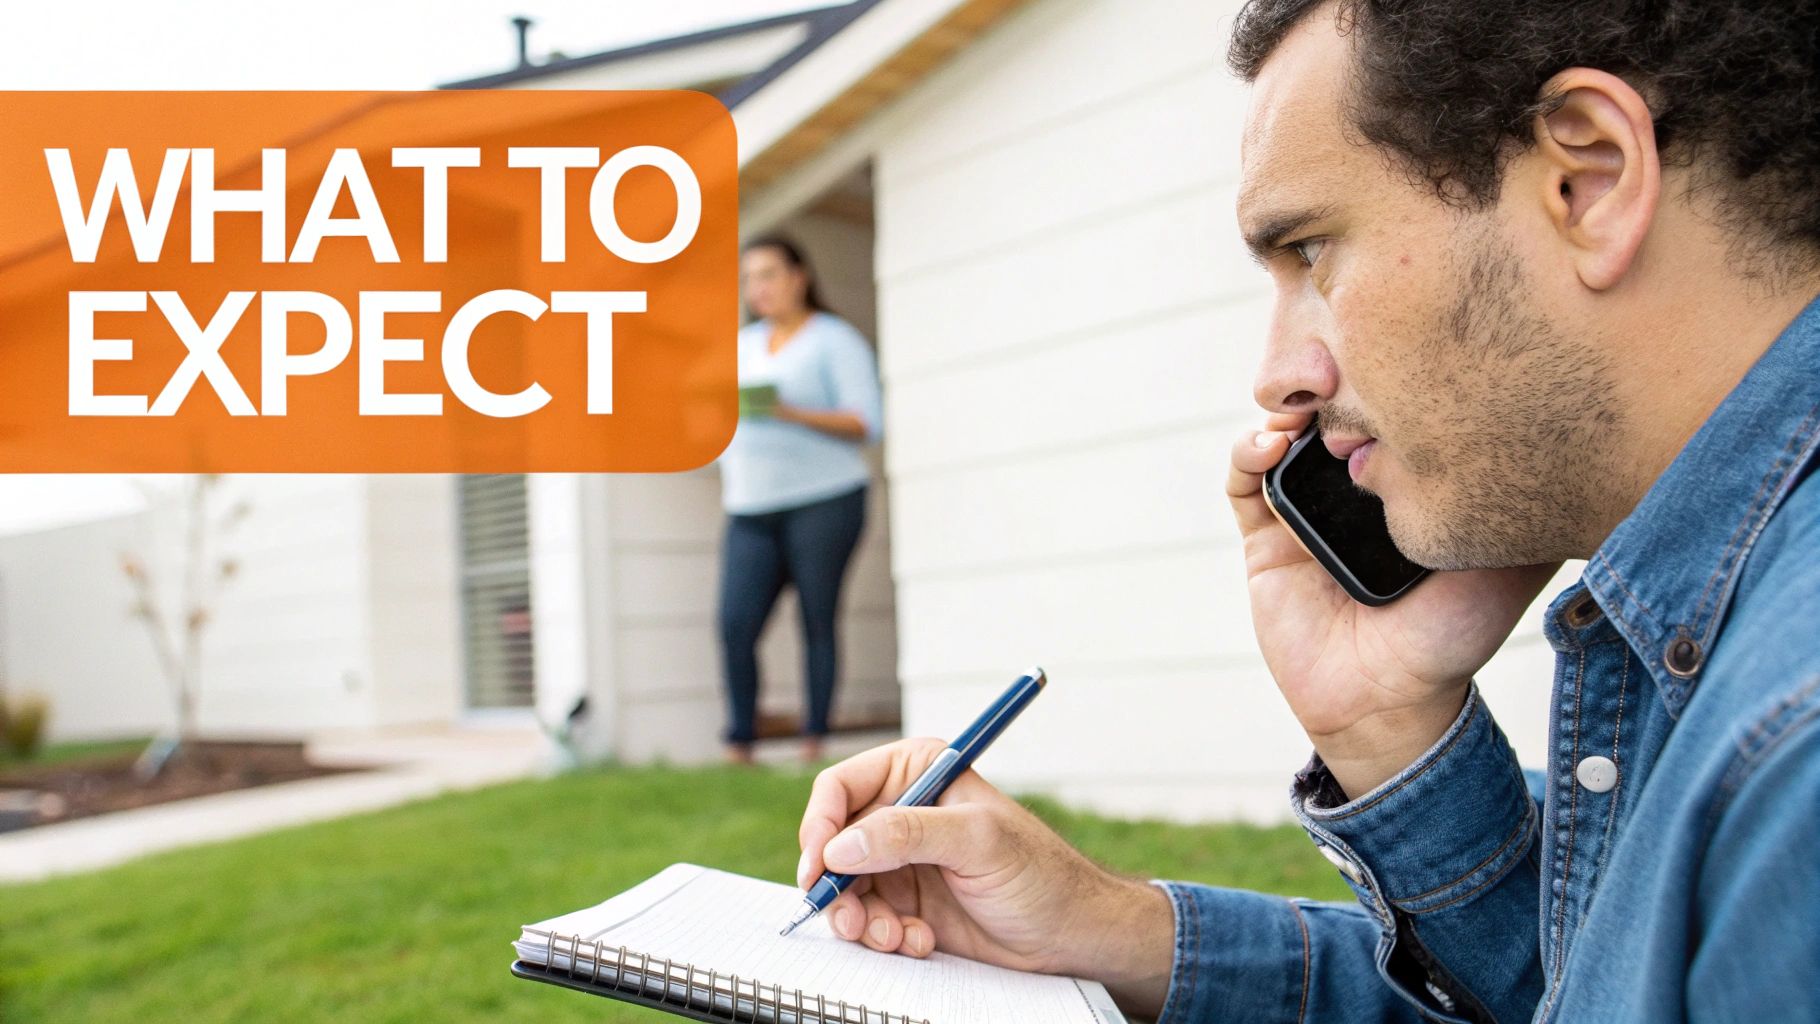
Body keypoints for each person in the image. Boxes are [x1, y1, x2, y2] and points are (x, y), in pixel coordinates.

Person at [790, 1, 1820, 1020]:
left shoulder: (1791, 757)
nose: (1278, 376)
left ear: (1586, 180)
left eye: (1309, 252)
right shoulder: (1722, 639)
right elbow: (1573, 995)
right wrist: (1380, 730)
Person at [717, 236, 883, 766]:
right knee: (734, 623)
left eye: (767, 274)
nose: (757, 288)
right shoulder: (741, 346)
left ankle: (816, 739)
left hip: (825, 499)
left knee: (816, 618)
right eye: (749, 279)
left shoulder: (834, 340)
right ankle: (740, 740)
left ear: (798, 277)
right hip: (749, 505)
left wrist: (789, 412)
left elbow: (866, 423)